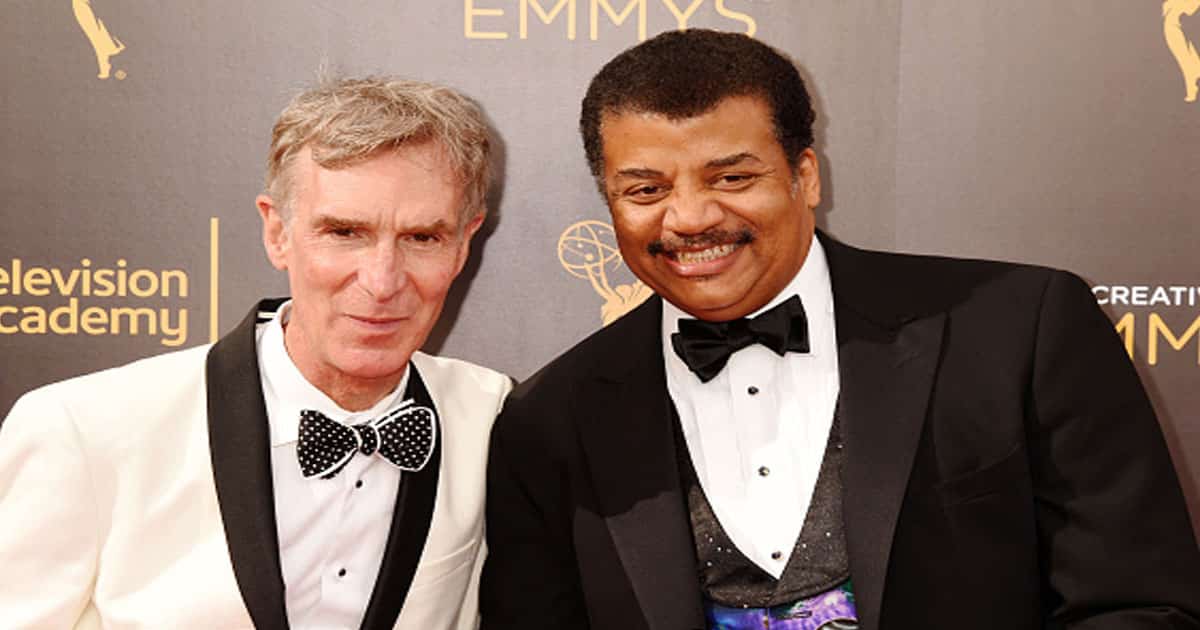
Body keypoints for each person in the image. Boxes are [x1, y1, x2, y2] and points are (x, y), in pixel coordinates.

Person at [480, 29, 1200, 630]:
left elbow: (1139, 605)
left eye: (732, 178)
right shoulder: (549, 419)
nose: (690, 218)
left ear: (807, 176)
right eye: (646, 189)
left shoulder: (1019, 328)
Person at [0, 76, 511, 629]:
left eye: (421, 238)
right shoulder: (82, 430)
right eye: (344, 232)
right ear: (277, 232)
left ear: (464, 244)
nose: (382, 281)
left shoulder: (492, 418)